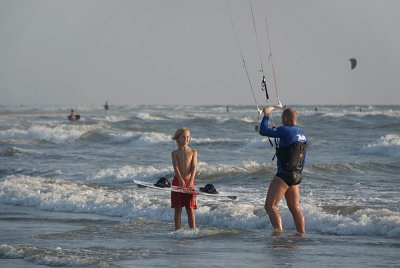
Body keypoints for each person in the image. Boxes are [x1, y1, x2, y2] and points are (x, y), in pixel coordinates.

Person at [259, 106, 308, 236]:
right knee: (295, 208)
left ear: (286, 119)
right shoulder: (302, 135)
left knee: (270, 206)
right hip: (297, 176)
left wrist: (266, 115)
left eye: (282, 119)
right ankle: (301, 235)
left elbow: (263, 131)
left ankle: (279, 233)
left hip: (284, 175)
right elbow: (303, 158)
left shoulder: (286, 130)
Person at [171, 127, 198, 230]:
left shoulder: (193, 152)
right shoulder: (174, 153)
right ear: (178, 138)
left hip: (189, 182)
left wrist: (190, 181)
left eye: (188, 137)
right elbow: (175, 167)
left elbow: (194, 167)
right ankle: (177, 230)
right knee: (178, 209)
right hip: (177, 182)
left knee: (190, 208)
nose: (186, 139)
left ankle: (193, 230)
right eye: (183, 137)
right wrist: (181, 180)